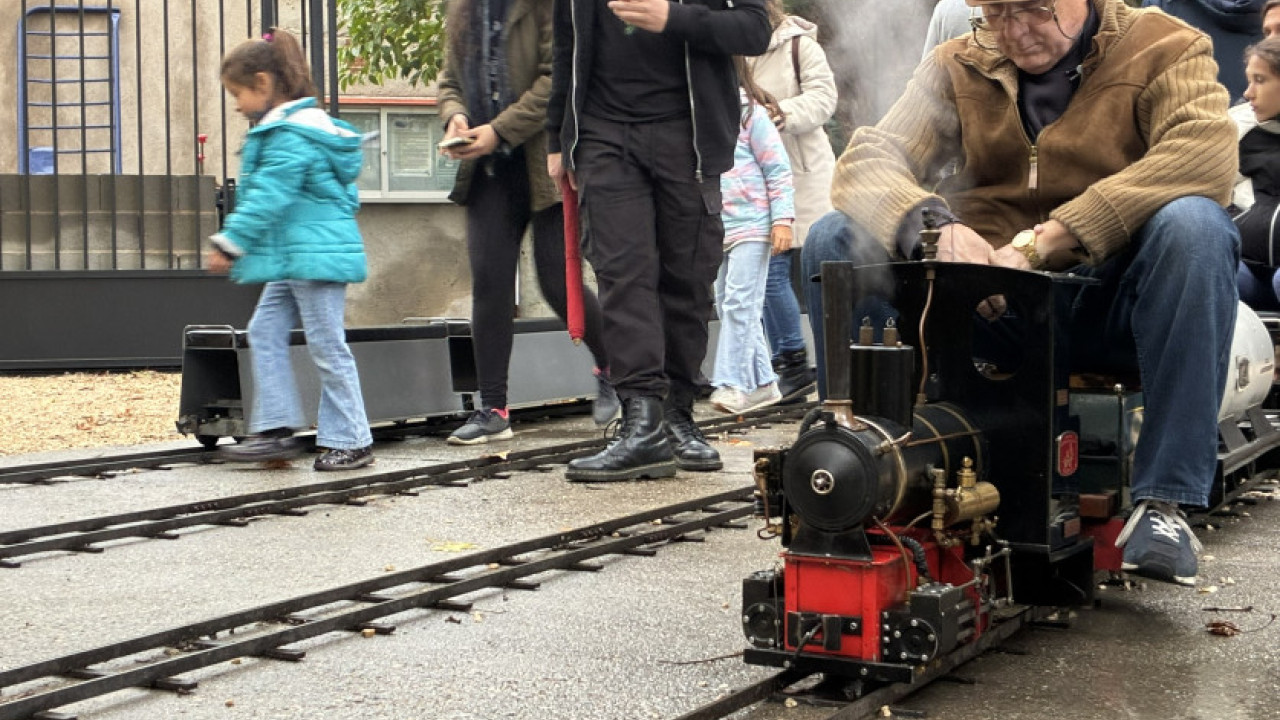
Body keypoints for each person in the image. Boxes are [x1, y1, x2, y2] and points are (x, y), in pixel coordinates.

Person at [800, 0, 1240, 587]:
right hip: (986, 305)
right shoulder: (956, 63)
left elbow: (1203, 155)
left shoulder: (1167, 46)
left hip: (1107, 304)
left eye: (1034, 10)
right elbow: (867, 160)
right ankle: (865, 461)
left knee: (1197, 226)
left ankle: (1165, 502)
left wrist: (1048, 240)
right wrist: (933, 224)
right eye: (996, 13)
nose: (1014, 31)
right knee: (835, 235)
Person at [547, 0, 772, 482]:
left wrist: (675, 18)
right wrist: (557, 137)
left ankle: (677, 415)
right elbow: (566, 44)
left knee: (686, 282)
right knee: (623, 277)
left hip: (688, 138)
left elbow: (755, 31)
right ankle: (642, 422)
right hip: (603, 136)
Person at [437, 0, 617, 446]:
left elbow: (556, 78)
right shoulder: (462, 8)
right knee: (490, 284)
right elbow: (449, 79)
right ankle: (493, 409)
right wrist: (455, 116)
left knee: (557, 281)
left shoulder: (546, 5)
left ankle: (614, 368)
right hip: (487, 169)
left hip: (544, 162)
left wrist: (498, 130)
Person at [207, 29, 375, 471]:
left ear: (263, 84)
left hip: (314, 256)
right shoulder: (292, 128)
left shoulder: (291, 134)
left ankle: (353, 439)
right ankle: (275, 429)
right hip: (296, 256)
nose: (238, 105)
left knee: (327, 346)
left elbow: (269, 195)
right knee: (264, 330)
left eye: (238, 94)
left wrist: (231, 241)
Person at [744, 0, 835, 402]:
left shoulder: (799, 46)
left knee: (818, 271)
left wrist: (780, 112)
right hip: (754, 179)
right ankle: (790, 365)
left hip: (804, 176)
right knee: (767, 271)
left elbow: (824, 98)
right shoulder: (731, 51)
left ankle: (811, 364)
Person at [710, 58, 795, 415]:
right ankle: (764, 383)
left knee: (739, 303)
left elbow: (778, 169)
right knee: (725, 302)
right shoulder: (701, 116)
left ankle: (731, 384)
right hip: (719, 226)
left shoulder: (752, 115)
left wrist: (782, 221)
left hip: (754, 225)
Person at [1231, 37, 1280, 308]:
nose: (1248, 93)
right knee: (1209, 267)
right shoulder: (1238, 127)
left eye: (1259, 80)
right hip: (1247, 267)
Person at [1141, 0, 1263, 101]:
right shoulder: (1271, 13)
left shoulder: (1161, 5)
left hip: (1180, 115)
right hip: (1259, 116)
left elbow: (1142, 78)